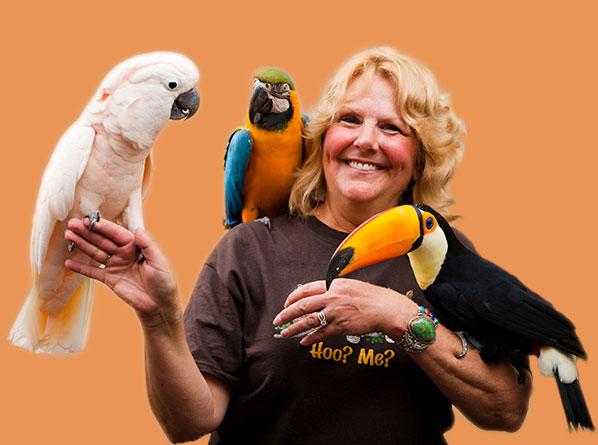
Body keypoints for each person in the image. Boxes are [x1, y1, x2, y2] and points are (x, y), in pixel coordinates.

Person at [65, 47, 532, 444]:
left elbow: (505, 410)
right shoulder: (249, 250)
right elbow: (189, 422)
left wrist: (399, 317)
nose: (365, 140)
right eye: (349, 120)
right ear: (323, 137)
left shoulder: (448, 253)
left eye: (391, 128)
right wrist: (160, 318)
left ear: (420, 156)